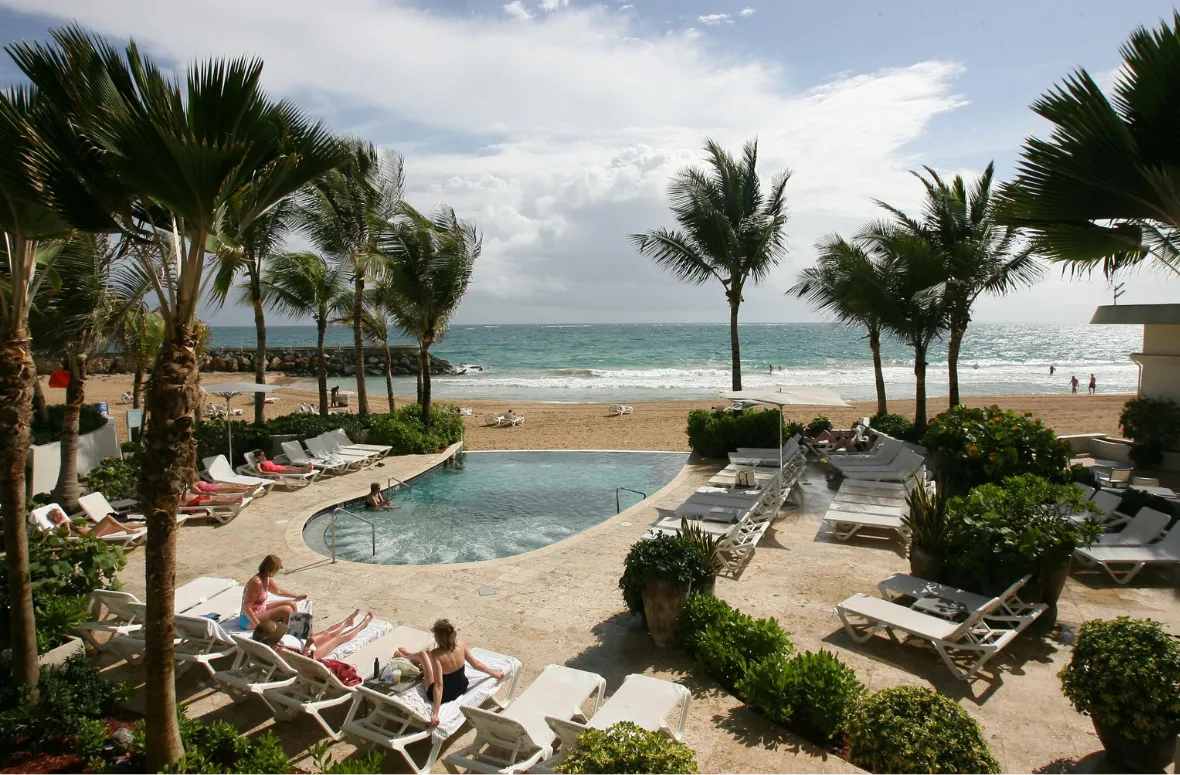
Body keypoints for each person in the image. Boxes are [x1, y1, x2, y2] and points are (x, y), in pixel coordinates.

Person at [397, 619, 504, 726]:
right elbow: (476, 664)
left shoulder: (436, 655)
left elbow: (439, 685)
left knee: (423, 655)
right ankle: (414, 658)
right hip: (462, 687)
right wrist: (494, 674)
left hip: (445, 695)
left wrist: (435, 713)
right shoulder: (461, 645)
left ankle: (406, 656)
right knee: (427, 655)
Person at [253, 609, 373, 659]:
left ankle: (347, 621)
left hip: (300, 644)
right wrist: (307, 645)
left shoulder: (266, 645)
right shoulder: (281, 651)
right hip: (310, 655)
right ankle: (361, 625)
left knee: (325, 633)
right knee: (337, 638)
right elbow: (302, 661)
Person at [240, 554, 306, 630]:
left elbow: (278, 591)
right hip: (249, 619)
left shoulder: (266, 578)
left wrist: (296, 596)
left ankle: (296, 629)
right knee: (286, 610)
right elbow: (246, 607)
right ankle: (287, 632)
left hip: (260, 609)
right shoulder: (257, 582)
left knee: (291, 604)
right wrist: (259, 626)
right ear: (271, 569)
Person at [44, 505, 134, 539]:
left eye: (61, 514)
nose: (61, 515)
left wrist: (82, 524)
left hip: (93, 530)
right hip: (90, 535)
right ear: (53, 519)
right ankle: (128, 530)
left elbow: (84, 526)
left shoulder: (69, 520)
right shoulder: (57, 526)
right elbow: (66, 537)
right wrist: (67, 525)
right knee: (108, 518)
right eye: (57, 515)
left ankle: (145, 524)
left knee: (121, 524)